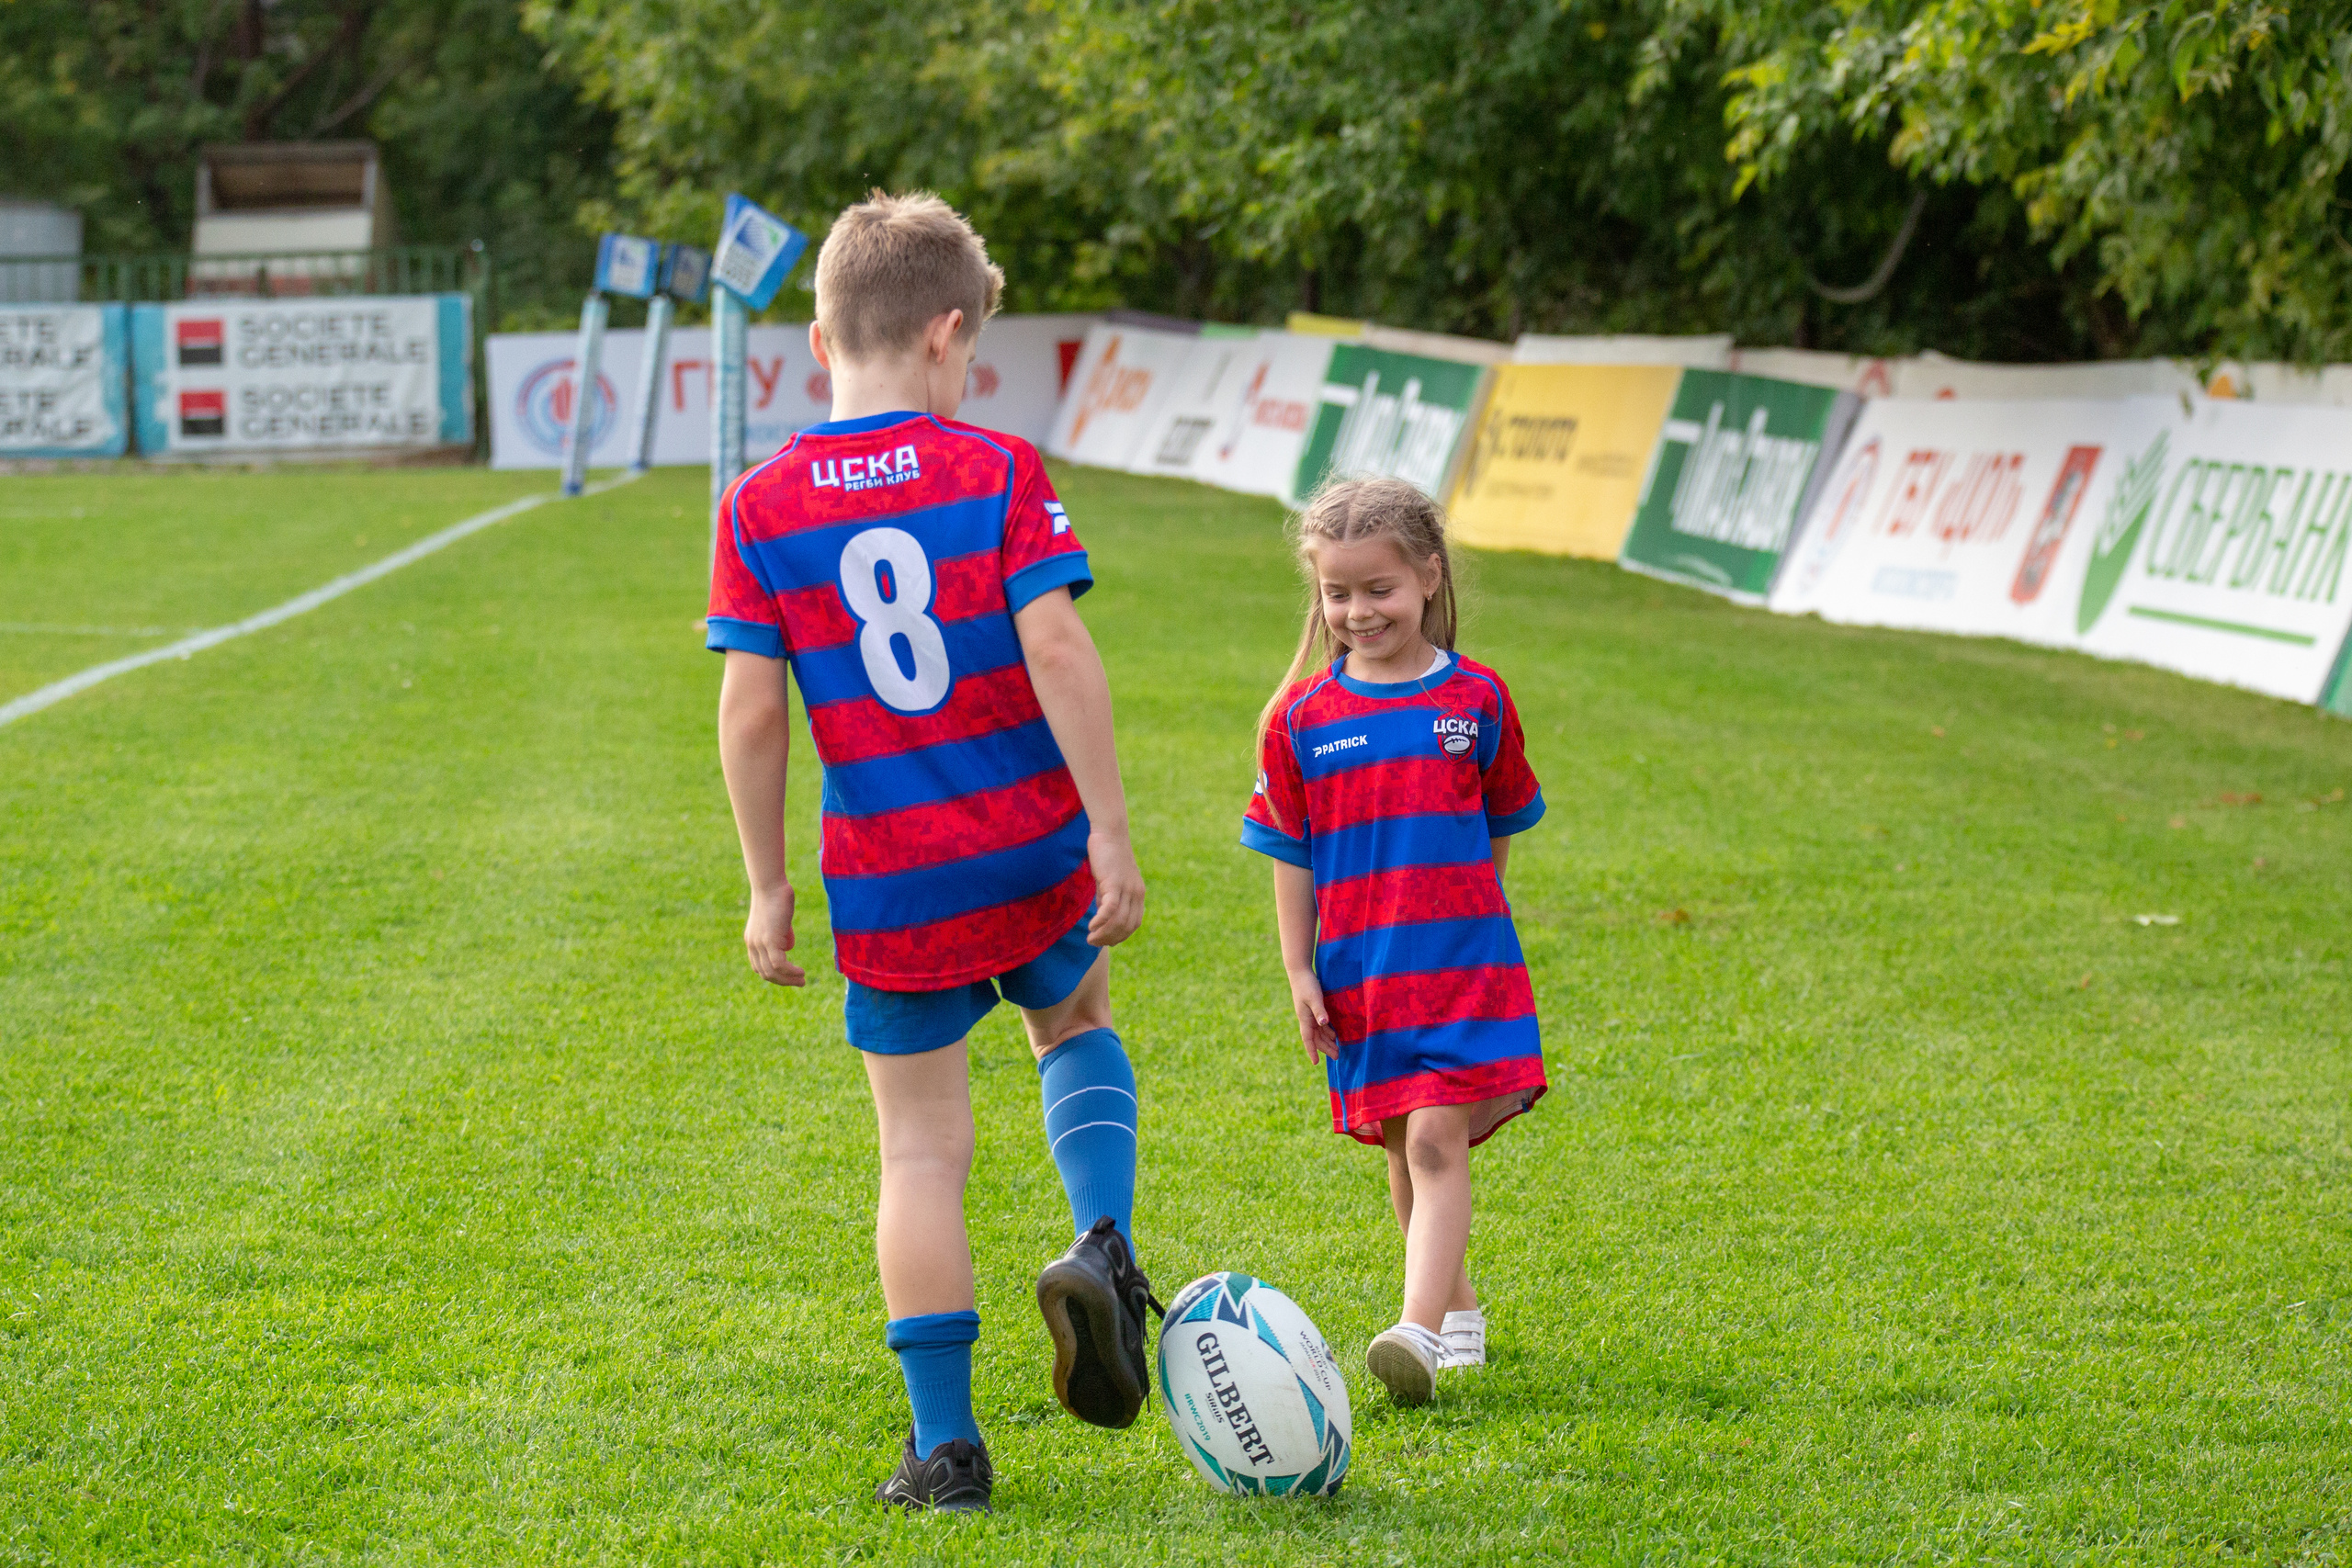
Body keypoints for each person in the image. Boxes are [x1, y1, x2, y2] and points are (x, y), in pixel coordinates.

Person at [707, 190, 1153, 1514]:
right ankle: (1103, 1242)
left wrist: (767, 882)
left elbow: (751, 712)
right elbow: (1057, 645)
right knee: (1075, 1020)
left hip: (889, 879)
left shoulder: (758, 505)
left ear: (818, 341)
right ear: (949, 333)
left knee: (916, 1151)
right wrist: (1109, 825)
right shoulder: (997, 470)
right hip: (1027, 847)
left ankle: (947, 1449)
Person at [1239, 477, 1547, 1407]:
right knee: (1404, 1145)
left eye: (1379, 589)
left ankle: (1414, 1329)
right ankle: (1458, 1314)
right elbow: (1290, 852)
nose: (1358, 611)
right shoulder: (1301, 719)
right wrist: (1299, 966)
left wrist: (1470, 916)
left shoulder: (1476, 699)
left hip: (1459, 968)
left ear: (1428, 577)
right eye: (1337, 592)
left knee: (1437, 1142)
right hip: (1362, 974)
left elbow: (1495, 827)